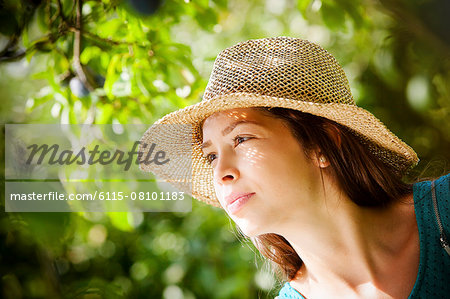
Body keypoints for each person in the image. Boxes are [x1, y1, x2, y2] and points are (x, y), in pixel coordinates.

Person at [139, 37, 450, 298]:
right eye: (211, 156)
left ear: (323, 144)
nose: (221, 174)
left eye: (242, 138)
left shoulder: (444, 212)